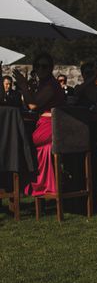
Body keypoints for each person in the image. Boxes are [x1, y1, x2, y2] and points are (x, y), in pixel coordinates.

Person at [12, 52, 65, 196]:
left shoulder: (51, 85)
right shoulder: (44, 84)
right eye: (37, 66)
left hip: (50, 126)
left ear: (51, 68)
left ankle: (22, 183)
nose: (40, 69)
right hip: (47, 124)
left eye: (44, 66)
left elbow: (33, 105)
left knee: (21, 140)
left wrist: (23, 86)